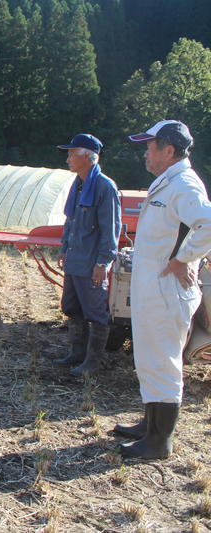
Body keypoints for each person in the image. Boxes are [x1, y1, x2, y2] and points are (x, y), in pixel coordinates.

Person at [114, 120, 211, 460]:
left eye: (150, 146)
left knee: (164, 362)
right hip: (154, 288)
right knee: (150, 359)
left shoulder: (184, 184)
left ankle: (159, 442)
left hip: (167, 290)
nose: (145, 153)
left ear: (169, 150)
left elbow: (208, 223)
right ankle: (149, 425)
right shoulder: (168, 181)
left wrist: (184, 259)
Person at [54, 134, 121, 377]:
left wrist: (103, 262)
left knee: (96, 312)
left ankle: (93, 363)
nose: (68, 158)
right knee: (72, 306)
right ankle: (77, 353)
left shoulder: (104, 187)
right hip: (75, 259)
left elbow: (110, 229)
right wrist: (64, 248)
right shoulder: (79, 184)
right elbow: (70, 221)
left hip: (91, 262)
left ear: (88, 157)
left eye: (72, 153)